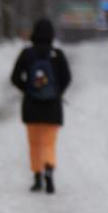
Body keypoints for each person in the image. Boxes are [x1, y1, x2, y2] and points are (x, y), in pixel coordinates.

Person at [10, 19, 72, 194]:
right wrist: (57, 92)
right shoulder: (57, 54)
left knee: (34, 143)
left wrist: (27, 90)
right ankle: (49, 171)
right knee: (49, 144)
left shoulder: (27, 54)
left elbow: (14, 77)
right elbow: (66, 78)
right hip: (52, 108)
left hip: (31, 106)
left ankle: (37, 177)